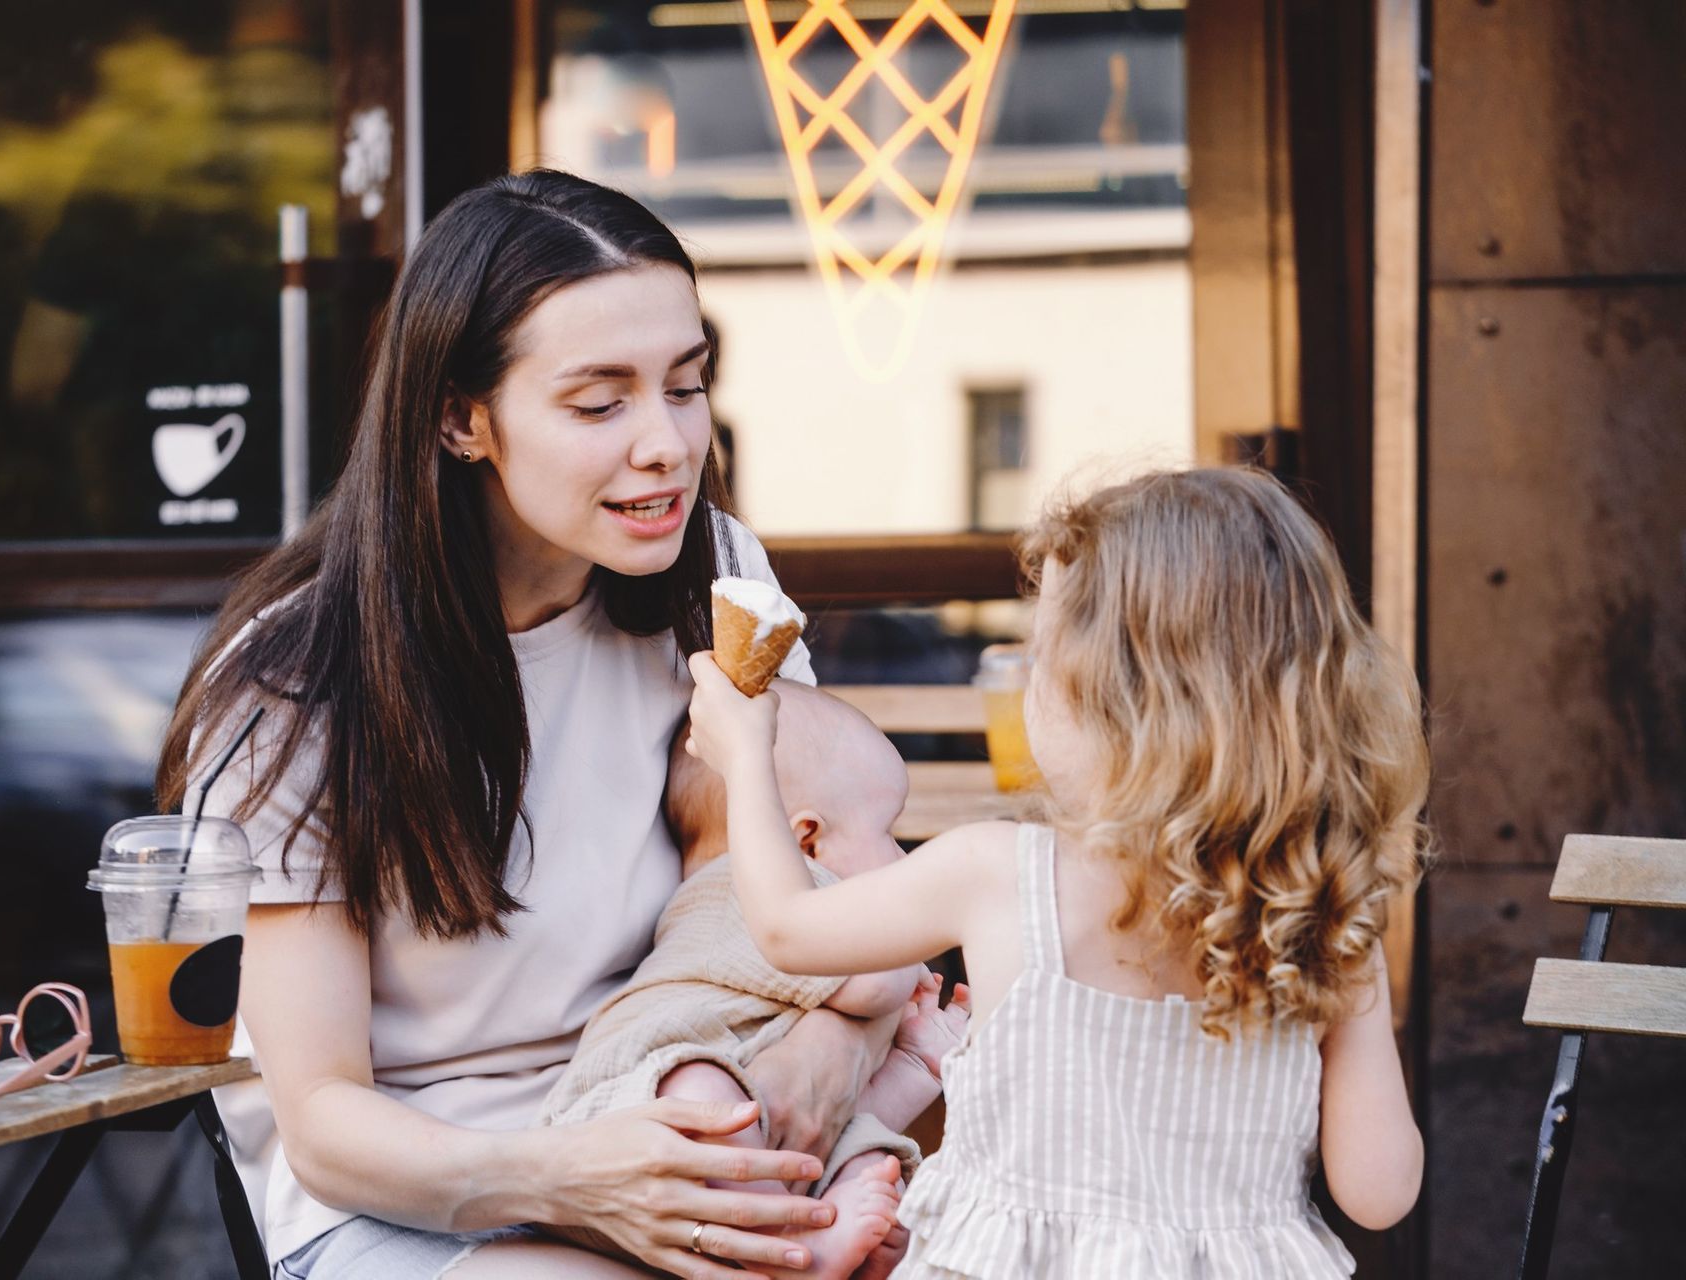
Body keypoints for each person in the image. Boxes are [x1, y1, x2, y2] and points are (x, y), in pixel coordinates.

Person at [155, 170, 909, 1280]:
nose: (665, 443)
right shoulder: (300, 684)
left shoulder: (720, 584)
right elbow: (320, 1117)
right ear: (463, 417)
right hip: (431, 1197)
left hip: (682, 1094)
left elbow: (826, 899)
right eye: (601, 402)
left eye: (687, 385)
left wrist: (831, 1051)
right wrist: (589, 1181)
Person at [686, 467, 1433, 1278]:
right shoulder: (1321, 925)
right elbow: (1379, 1192)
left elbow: (787, 928)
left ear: (1120, 700)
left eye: (1045, 653)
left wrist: (745, 755)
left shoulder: (997, 872)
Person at [541, 681, 974, 1279]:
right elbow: (877, 982)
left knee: (849, 1143)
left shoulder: (800, 945)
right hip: (623, 1131)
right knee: (701, 1092)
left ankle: (817, 1226)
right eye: (889, 834)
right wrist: (919, 939)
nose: (904, 860)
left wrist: (918, 1061)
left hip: (735, 1149)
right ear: (805, 841)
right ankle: (792, 1245)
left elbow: (829, 1103)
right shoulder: (747, 888)